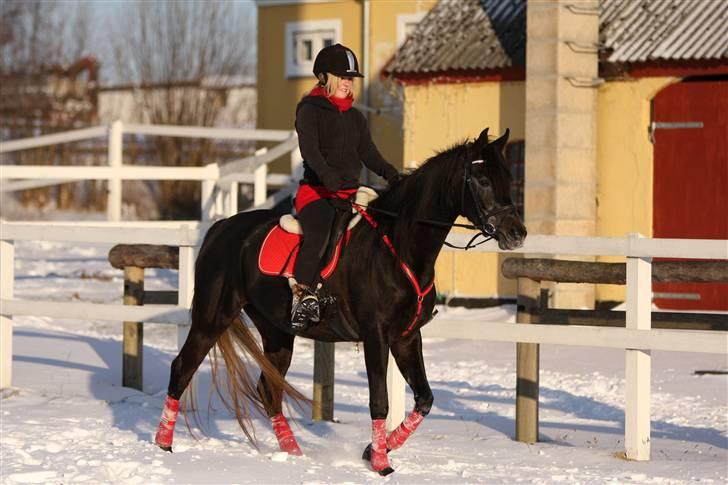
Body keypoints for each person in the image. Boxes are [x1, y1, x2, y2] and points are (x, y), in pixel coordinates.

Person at [290, 43, 399, 331]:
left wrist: (390, 172)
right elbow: (309, 150)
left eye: (351, 79)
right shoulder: (309, 110)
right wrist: (325, 174)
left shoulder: (356, 117)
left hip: (348, 194)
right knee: (321, 234)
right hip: (316, 193)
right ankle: (302, 297)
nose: (347, 83)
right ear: (325, 77)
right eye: (343, 77)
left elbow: (369, 154)